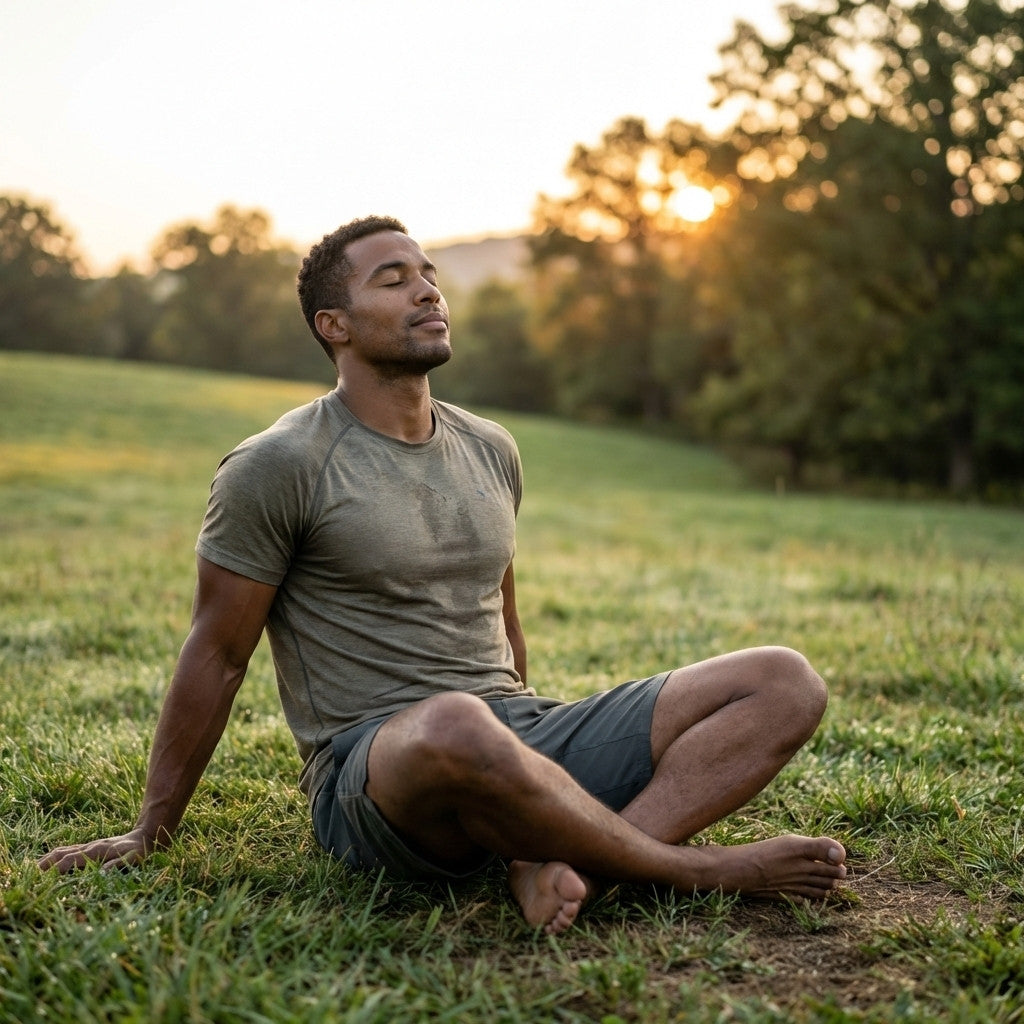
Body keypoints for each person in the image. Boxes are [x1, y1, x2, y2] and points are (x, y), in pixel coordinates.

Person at [38, 215, 847, 934]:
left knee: (784, 680)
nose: (428, 291)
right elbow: (216, 653)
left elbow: (503, 617)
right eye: (393, 280)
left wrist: (523, 764)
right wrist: (152, 829)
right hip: (373, 772)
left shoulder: (491, 446)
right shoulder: (277, 464)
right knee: (457, 723)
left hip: (508, 732)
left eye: (428, 274)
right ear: (336, 325)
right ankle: (697, 870)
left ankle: (568, 867)